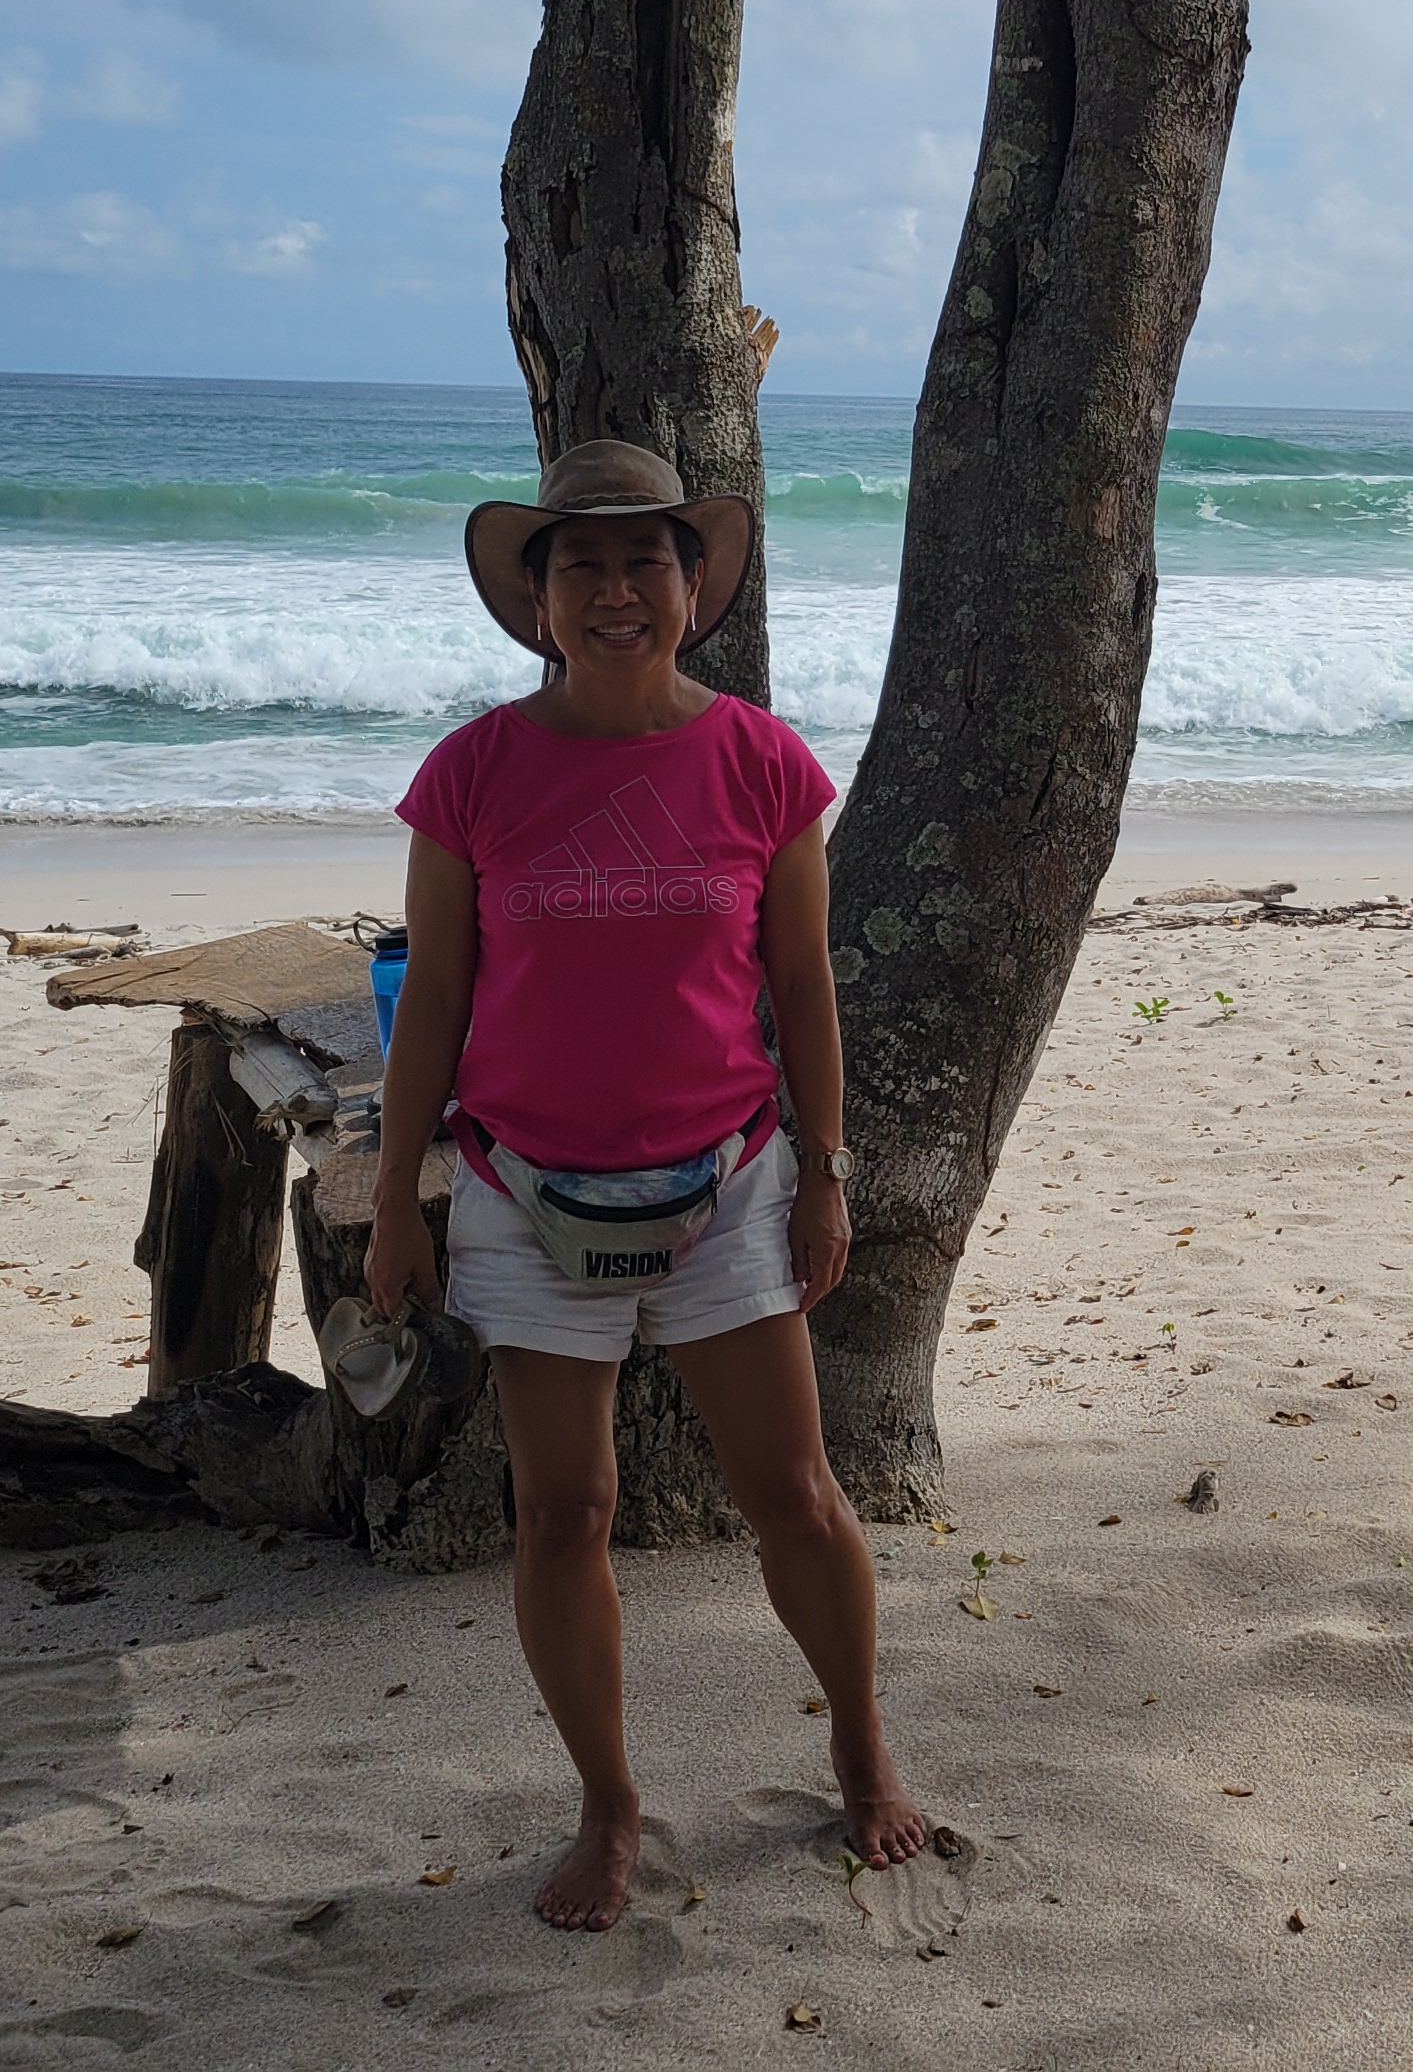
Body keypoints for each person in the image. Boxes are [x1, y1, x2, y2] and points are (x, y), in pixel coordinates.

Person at [360, 438, 926, 1930]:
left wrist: (826, 1173)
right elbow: (433, 999)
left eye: (645, 562)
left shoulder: (764, 763)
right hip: (522, 1189)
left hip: (731, 1181)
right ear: (540, 600)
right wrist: (398, 1198)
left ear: (694, 586)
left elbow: (803, 986)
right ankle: (609, 1807)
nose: (617, 591)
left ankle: (863, 1751)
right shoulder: (470, 774)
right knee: (563, 1514)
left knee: (793, 1495)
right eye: (584, 566)